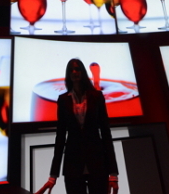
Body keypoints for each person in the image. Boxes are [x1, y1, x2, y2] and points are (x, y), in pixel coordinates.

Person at [35, 58, 119, 194]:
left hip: (97, 162)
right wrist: (53, 175)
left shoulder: (97, 96)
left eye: (78, 69)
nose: (74, 72)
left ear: (83, 72)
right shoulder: (63, 100)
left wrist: (113, 173)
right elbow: (60, 137)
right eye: (71, 70)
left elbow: (106, 134)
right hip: (73, 164)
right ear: (68, 74)